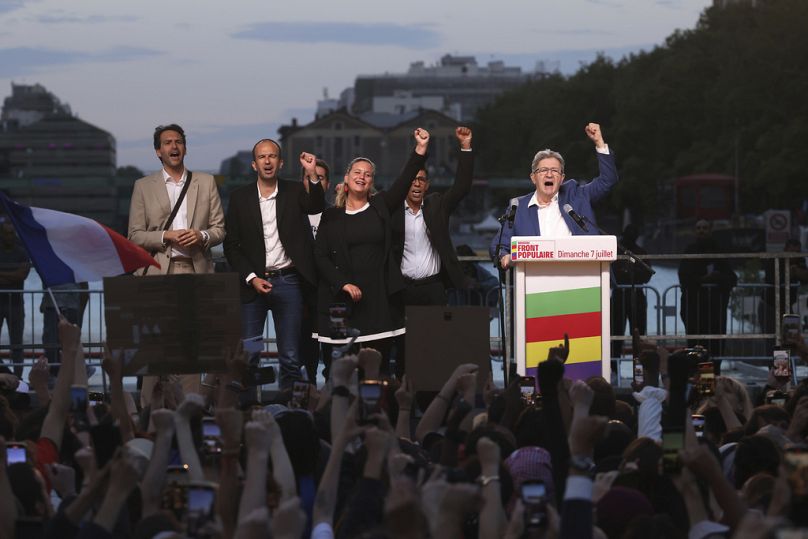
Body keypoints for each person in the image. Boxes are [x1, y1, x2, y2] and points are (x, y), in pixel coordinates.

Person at [314, 128, 430, 370]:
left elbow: (404, 179)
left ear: (371, 182)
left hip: (378, 303)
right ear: (346, 178)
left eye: (367, 174)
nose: (362, 176)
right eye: (357, 172)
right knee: (340, 371)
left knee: (376, 371)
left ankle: (377, 409)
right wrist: (343, 283)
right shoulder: (331, 216)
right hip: (341, 303)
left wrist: (420, 149)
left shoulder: (381, 206)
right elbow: (320, 256)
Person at [128, 123, 226, 403]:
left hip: (195, 272)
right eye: (167, 142)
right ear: (158, 151)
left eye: (179, 141)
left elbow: (220, 229)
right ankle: (151, 414)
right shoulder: (143, 186)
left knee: (190, 350)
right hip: (157, 273)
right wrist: (166, 236)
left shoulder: (205, 182)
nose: (174, 146)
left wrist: (201, 235)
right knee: (155, 351)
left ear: (185, 147)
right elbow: (134, 236)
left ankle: (190, 411)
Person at [223, 140, 325, 390]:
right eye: (261, 157)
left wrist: (312, 174)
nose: (267, 161)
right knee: (250, 353)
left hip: (288, 284)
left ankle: (289, 413)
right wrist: (251, 278)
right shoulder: (239, 198)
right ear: (253, 164)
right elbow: (231, 245)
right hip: (252, 289)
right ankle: (249, 414)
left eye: (272, 157)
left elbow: (316, 206)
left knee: (290, 356)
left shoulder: (294, 192)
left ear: (280, 163)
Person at [389, 126, 473, 376]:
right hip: (403, 290)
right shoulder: (391, 210)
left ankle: (435, 396)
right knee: (404, 350)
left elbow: (462, 187)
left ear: (427, 186)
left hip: (433, 288)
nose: (416, 184)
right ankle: (405, 398)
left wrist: (465, 146)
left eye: (421, 180)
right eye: (412, 180)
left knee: (436, 346)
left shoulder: (437, 205)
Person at [490, 123, 618, 269]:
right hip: (535, 285)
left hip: (583, 279)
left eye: (554, 171)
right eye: (543, 170)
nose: (549, 174)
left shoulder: (577, 196)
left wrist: (599, 142)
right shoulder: (517, 208)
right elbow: (499, 246)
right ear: (533, 177)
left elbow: (608, 180)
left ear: (562, 178)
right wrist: (504, 256)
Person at [678, 219, 737, 357]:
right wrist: (703, 280)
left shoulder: (718, 251)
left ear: (710, 230)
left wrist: (717, 278)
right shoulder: (690, 251)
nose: (701, 230)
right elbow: (684, 277)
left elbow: (731, 277)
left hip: (714, 309)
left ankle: (714, 372)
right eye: (698, 228)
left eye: (705, 227)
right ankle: (694, 372)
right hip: (694, 308)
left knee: (715, 344)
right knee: (694, 343)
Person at [611, 224, 653, 357]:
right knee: (616, 334)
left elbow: (646, 275)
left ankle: (638, 365)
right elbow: (613, 274)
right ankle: (614, 367)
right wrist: (629, 273)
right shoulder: (616, 251)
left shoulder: (640, 252)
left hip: (636, 296)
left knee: (638, 335)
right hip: (620, 296)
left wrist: (629, 272)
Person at [759, 238, 808, 348]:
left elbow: (805, 278)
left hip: (787, 305)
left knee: (791, 341)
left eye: (797, 252)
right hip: (770, 305)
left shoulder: (799, 260)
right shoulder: (775, 260)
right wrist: (791, 272)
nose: (794, 256)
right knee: (774, 341)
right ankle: (777, 365)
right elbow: (774, 280)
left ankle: (787, 363)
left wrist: (796, 271)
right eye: (792, 252)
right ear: (786, 249)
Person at [0, 221, 30, 377]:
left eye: (12, 233)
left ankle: (18, 378)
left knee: (17, 343)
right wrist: (13, 277)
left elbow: (21, 275)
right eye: (7, 233)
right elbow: (17, 276)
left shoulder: (22, 252)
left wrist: (3, 275)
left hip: (16, 304)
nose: (10, 236)